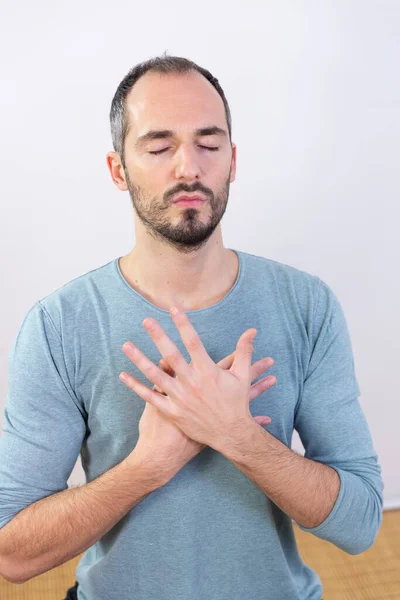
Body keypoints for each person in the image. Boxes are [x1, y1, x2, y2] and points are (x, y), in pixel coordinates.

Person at [0, 53, 382, 600]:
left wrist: (237, 436)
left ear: (233, 161)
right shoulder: (59, 326)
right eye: (159, 147)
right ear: (118, 170)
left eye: (209, 144)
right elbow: (11, 551)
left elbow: (361, 523)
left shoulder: (306, 305)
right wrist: (149, 465)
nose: (188, 167)